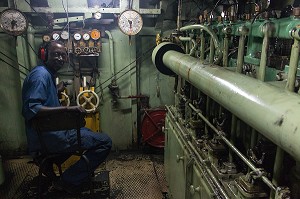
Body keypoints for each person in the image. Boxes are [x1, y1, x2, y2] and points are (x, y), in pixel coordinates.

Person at [22, 40, 112, 193]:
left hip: (49, 135)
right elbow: (33, 108)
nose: (60, 58)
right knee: (105, 142)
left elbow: (42, 99)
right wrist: (68, 109)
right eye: (56, 54)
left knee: (89, 133)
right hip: (51, 139)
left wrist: (56, 90)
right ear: (44, 54)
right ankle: (67, 181)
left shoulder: (44, 74)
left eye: (63, 55)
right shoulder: (41, 76)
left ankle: (59, 172)